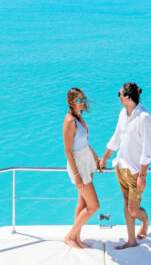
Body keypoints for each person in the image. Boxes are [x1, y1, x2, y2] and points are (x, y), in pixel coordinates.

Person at [97, 82, 151, 250]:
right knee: (126, 205)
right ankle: (131, 240)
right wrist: (105, 157)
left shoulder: (144, 118)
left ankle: (145, 220)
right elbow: (116, 137)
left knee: (134, 210)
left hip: (136, 172)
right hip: (120, 167)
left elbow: (147, 151)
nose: (118, 97)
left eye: (119, 94)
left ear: (127, 97)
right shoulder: (123, 113)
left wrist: (142, 176)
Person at [62, 88, 100, 249]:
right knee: (94, 206)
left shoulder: (79, 117)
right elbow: (68, 151)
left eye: (83, 99)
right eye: (78, 100)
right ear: (71, 102)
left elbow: (85, 142)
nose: (82, 102)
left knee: (82, 203)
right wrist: (76, 174)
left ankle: (76, 238)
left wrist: (97, 158)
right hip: (78, 166)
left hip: (87, 161)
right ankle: (70, 236)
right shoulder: (70, 121)